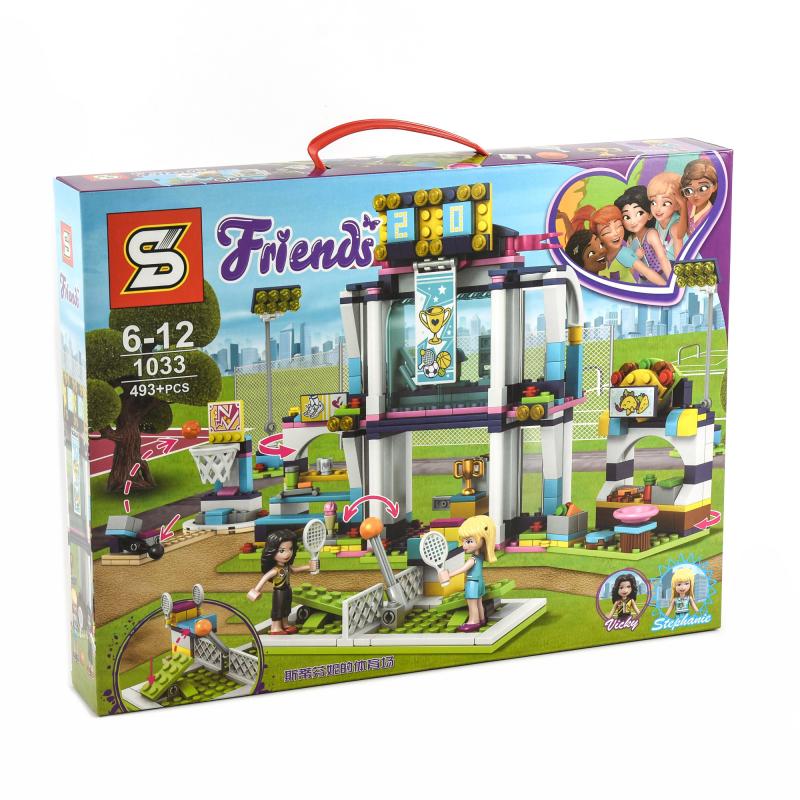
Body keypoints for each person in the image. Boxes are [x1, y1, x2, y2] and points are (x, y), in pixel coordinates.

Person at [247, 530, 319, 634]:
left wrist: (309, 567)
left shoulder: (286, 567)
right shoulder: (275, 570)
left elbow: (295, 570)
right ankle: (275, 627)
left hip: (287, 590)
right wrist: (256, 590)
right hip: (279, 591)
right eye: (282, 551)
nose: (287, 553)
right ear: (272, 552)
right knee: (278, 609)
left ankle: (285, 624)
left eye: (290, 549)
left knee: (286, 608)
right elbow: (265, 578)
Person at [437, 515, 497, 632]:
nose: (464, 545)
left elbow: (463, 569)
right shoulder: (480, 556)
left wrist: (449, 575)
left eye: (469, 541)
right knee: (479, 602)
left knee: (472, 603)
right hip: (480, 582)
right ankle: (482, 619)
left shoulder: (472, 559)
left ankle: (473, 621)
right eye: (464, 541)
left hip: (472, 583)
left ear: (482, 540)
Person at [614, 186, 672, 285]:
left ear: (650, 215)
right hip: (643, 281)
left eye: (639, 213)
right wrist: (635, 257)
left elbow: (662, 258)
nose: (633, 221)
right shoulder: (630, 240)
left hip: (661, 276)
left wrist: (671, 281)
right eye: (627, 217)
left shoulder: (651, 234)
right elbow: (630, 271)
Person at [647, 172, 687, 258]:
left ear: (677, 205)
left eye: (665, 203)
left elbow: (680, 260)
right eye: (654, 202)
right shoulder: (659, 221)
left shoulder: (675, 227)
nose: (658, 208)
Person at [680, 158, 718, 234]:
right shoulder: (688, 204)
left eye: (702, 188)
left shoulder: (711, 215)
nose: (695, 195)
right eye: (689, 190)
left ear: (714, 186)